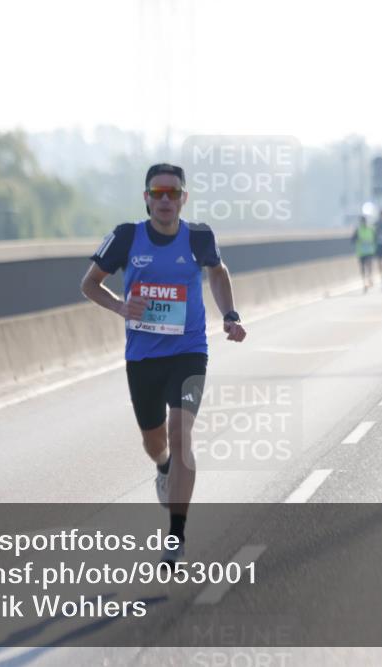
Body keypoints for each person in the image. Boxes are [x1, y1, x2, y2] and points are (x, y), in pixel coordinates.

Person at [80, 163, 247, 567]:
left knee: (181, 432)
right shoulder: (126, 237)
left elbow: (218, 273)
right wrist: (121, 307)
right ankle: (163, 466)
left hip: (189, 352)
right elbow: (88, 284)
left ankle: (176, 535)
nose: (166, 200)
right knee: (156, 443)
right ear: (147, 199)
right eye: (158, 193)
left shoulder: (199, 237)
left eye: (173, 193)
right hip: (143, 357)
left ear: (184, 198)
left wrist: (230, 314)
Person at [351, 215, 376, 292]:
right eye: (362, 221)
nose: (363, 222)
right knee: (362, 269)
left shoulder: (371, 229)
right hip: (361, 252)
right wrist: (358, 239)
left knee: (369, 265)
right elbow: (352, 240)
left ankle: (369, 278)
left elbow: (376, 238)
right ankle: (364, 283)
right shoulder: (358, 230)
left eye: (364, 221)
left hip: (369, 251)